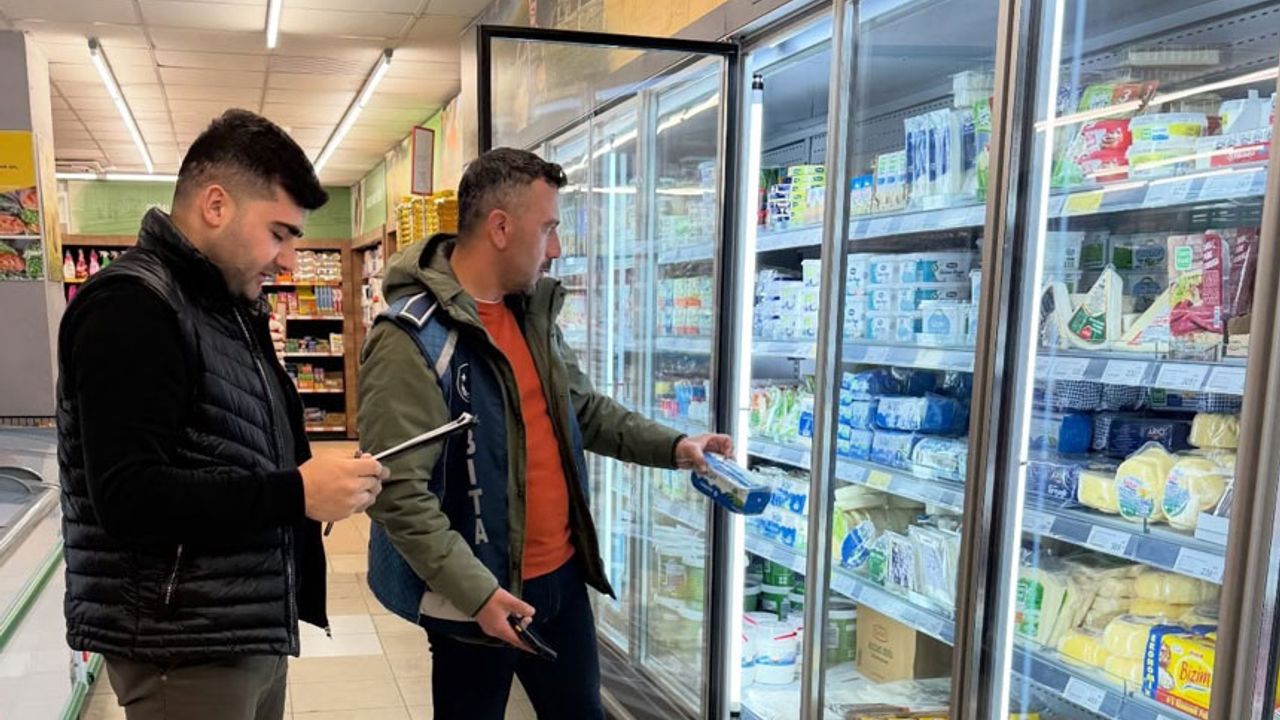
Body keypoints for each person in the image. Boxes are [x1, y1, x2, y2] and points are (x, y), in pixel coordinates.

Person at [359, 147, 734, 720]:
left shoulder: (530, 314)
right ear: (500, 228)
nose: (556, 248)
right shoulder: (411, 338)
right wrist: (476, 593)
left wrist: (677, 447)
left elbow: (581, 411)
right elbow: (398, 493)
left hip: (561, 581)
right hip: (475, 590)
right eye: (548, 228)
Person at [57, 108, 389, 720]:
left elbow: (230, 448)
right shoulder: (133, 308)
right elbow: (128, 497)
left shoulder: (224, 306)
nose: (290, 261)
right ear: (216, 206)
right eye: (280, 233)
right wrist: (296, 493)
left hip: (237, 625)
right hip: (181, 648)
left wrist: (320, 484)